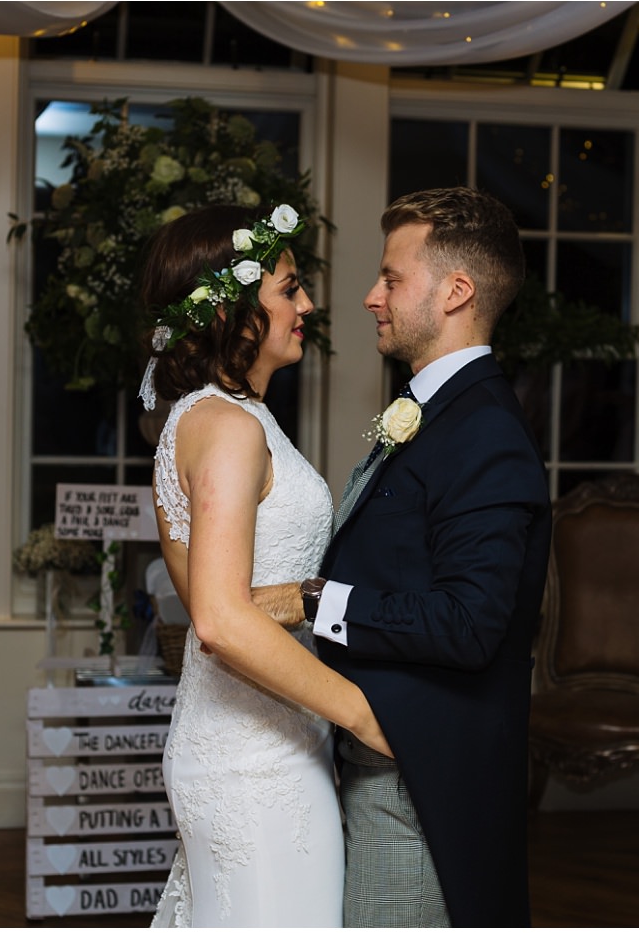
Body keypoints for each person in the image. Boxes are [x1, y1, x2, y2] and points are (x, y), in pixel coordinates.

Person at [256, 187, 551, 927]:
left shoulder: (483, 430)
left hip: (419, 784)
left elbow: (469, 621)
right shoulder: (439, 412)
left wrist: (313, 598)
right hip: (381, 759)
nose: (369, 296)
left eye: (391, 278)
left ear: (457, 291)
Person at [141, 203, 390, 928]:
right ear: (231, 306)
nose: (307, 303)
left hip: (249, 739)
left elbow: (217, 599)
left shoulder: (208, 418)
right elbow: (217, 619)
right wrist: (361, 713)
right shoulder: (226, 427)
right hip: (256, 763)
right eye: (289, 287)